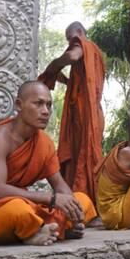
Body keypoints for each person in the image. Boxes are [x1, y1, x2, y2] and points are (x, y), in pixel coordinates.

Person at [0, 81, 97, 247]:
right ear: (19, 105)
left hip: (26, 204)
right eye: (38, 104)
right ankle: (49, 229)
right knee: (17, 211)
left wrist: (73, 210)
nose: (45, 111)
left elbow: (59, 185)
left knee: (82, 200)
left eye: (49, 105)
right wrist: (52, 199)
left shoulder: (45, 143)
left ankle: (37, 230)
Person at [38, 21, 105, 203]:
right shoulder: (97, 54)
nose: (70, 43)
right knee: (83, 153)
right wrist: (66, 80)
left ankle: (85, 201)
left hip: (85, 112)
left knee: (85, 153)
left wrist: (53, 65)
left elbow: (73, 56)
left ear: (78, 33)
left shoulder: (84, 45)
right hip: (94, 112)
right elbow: (83, 81)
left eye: (70, 39)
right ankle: (82, 200)